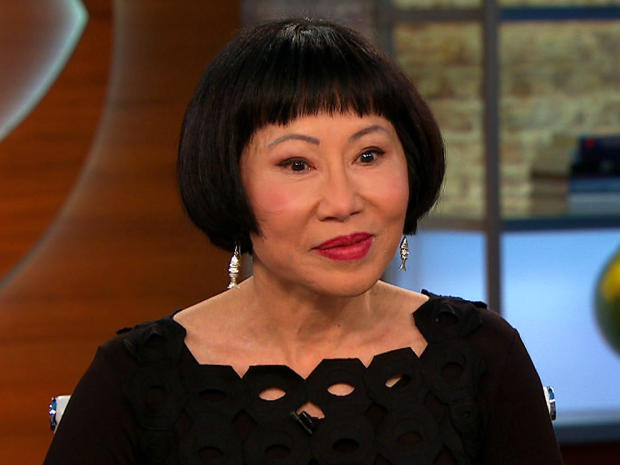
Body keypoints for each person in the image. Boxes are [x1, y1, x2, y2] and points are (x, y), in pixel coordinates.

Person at [43, 18, 563, 465]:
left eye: (368, 156)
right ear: (227, 180)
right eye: (297, 164)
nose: (343, 201)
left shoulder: (482, 356)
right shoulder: (136, 379)